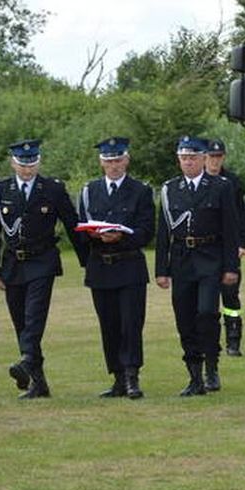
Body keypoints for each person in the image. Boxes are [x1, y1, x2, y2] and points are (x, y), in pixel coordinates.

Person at [0, 139, 85, 399]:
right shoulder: (0, 190)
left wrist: (87, 260)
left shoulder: (53, 188)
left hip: (43, 261)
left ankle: (27, 362)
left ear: (38, 163)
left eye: (32, 164)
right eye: (22, 165)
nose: (27, 170)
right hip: (13, 264)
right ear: (13, 163)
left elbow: (72, 224)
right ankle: (38, 383)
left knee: (34, 316)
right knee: (20, 321)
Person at [155, 136, 240, 396]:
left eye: (193, 157)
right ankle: (194, 375)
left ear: (204, 159)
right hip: (182, 259)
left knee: (206, 314)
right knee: (184, 318)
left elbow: (230, 229)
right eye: (184, 158)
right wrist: (161, 268)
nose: (188, 162)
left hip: (210, 257)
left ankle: (211, 366)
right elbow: (164, 231)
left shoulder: (220, 187)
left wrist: (231, 267)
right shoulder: (170, 189)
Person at [78, 137, 155, 400]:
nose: (114, 165)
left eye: (118, 160)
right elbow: (80, 229)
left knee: (131, 324)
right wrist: (94, 236)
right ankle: (118, 378)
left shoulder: (141, 191)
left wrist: (122, 237)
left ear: (127, 160)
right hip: (101, 267)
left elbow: (146, 231)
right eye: (108, 161)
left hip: (129, 265)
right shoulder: (90, 191)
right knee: (109, 325)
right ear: (101, 163)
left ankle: (132, 375)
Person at [205, 139, 245, 357]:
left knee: (231, 297)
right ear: (204, 157)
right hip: (207, 250)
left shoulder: (233, 181)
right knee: (207, 299)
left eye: (218, 157)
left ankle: (233, 340)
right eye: (211, 156)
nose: (215, 161)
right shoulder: (200, 181)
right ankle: (209, 341)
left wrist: (242, 244)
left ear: (223, 157)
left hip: (230, 248)